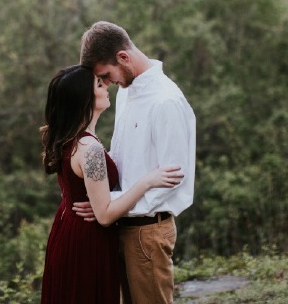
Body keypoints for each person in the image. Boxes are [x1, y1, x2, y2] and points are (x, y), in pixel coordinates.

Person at [39, 64, 184, 304]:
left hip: (70, 232)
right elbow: (105, 215)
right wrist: (146, 181)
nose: (106, 85)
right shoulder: (90, 148)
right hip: (86, 241)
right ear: (85, 98)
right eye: (98, 83)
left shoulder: (73, 141)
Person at [74, 21, 196, 304]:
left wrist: (107, 205)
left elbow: (169, 180)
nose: (105, 83)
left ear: (123, 57)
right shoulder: (127, 92)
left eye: (106, 75)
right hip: (123, 226)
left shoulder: (166, 101)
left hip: (148, 231)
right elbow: (123, 162)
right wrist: (105, 203)